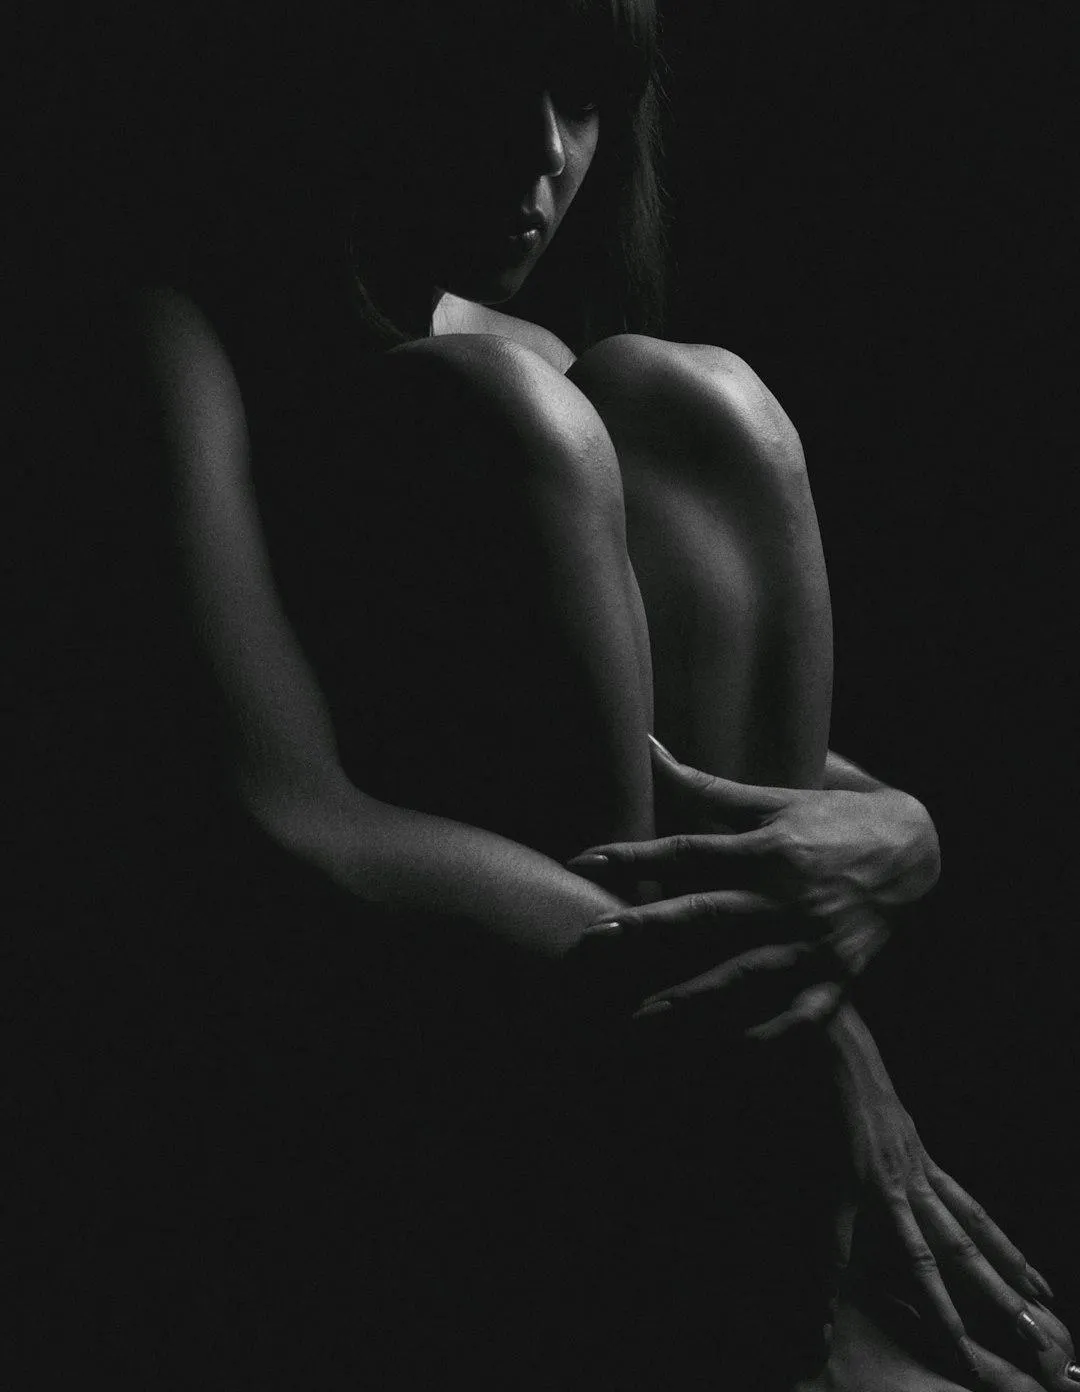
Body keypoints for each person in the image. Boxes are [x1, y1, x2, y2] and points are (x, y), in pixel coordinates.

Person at [14, 0, 1076, 1387]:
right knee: (503, 410)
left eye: (581, 93)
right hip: (382, 1028)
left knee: (697, 400)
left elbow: (693, 755)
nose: (542, 153)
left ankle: (759, 1256)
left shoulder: (545, 357)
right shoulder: (169, 331)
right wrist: (780, 1048)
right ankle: (699, 1244)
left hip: (666, 1007)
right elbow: (281, 816)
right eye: (483, 78)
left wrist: (905, 834)